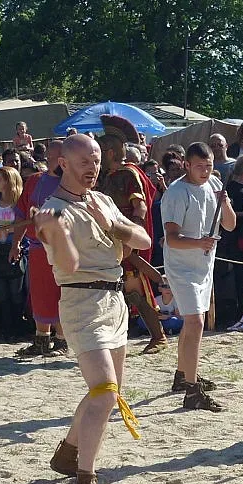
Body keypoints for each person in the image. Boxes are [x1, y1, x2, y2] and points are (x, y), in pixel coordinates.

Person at [38, 133, 151, 484]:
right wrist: (54, 232)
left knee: (106, 390)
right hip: (82, 302)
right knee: (104, 392)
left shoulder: (102, 201)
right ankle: (85, 481)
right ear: (63, 163)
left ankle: (68, 453)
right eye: (85, 161)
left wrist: (110, 224)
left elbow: (143, 239)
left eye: (97, 160)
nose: (93, 168)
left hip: (115, 300)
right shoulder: (54, 210)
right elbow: (67, 263)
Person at [161, 142, 236, 411]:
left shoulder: (214, 184)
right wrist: (199, 242)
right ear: (187, 165)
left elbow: (229, 224)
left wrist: (224, 202)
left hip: (204, 265)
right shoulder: (177, 193)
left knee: (193, 323)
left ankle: (183, 375)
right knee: (195, 322)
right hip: (182, 266)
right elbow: (171, 238)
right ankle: (192, 391)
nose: (205, 171)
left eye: (209, 166)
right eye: (200, 166)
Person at [96, 115, 167, 355]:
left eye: (102, 150)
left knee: (136, 289)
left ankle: (158, 336)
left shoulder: (129, 174)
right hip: (107, 238)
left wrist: (131, 235)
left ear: (112, 152)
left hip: (126, 238)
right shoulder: (106, 176)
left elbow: (141, 206)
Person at [10, 140, 68, 357]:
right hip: (37, 248)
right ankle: (42, 339)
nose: (55, 162)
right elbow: (23, 216)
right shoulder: (35, 181)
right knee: (40, 293)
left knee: (62, 293)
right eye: (52, 157)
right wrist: (16, 243)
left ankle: (62, 340)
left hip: (64, 249)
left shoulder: (73, 184)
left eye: (59, 157)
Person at [0, 167, 27, 338]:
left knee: (16, 293)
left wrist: (13, 235)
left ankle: (18, 327)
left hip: (15, 250)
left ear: (9, 181)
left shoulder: (19, 203)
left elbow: (26, 227)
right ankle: (6, 329)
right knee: (1, 294)